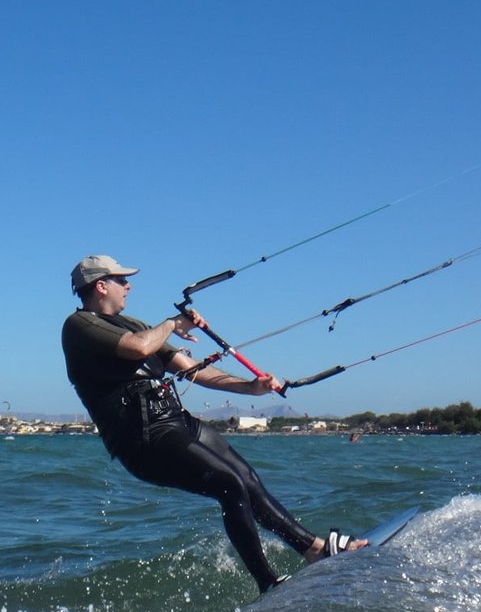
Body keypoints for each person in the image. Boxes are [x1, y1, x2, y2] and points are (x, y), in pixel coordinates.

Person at [60, 253, 365, 591]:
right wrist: (172, 325)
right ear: (101, 286)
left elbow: (194, 370)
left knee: (247, 478)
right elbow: (138, 348)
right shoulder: (80, 326)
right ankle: (268, 582)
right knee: (229, 484)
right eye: (121, 280)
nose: (128, 285)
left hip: (175, 421)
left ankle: (314, 549)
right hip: (143, 439)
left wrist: (251, 387)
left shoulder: (132, 323)